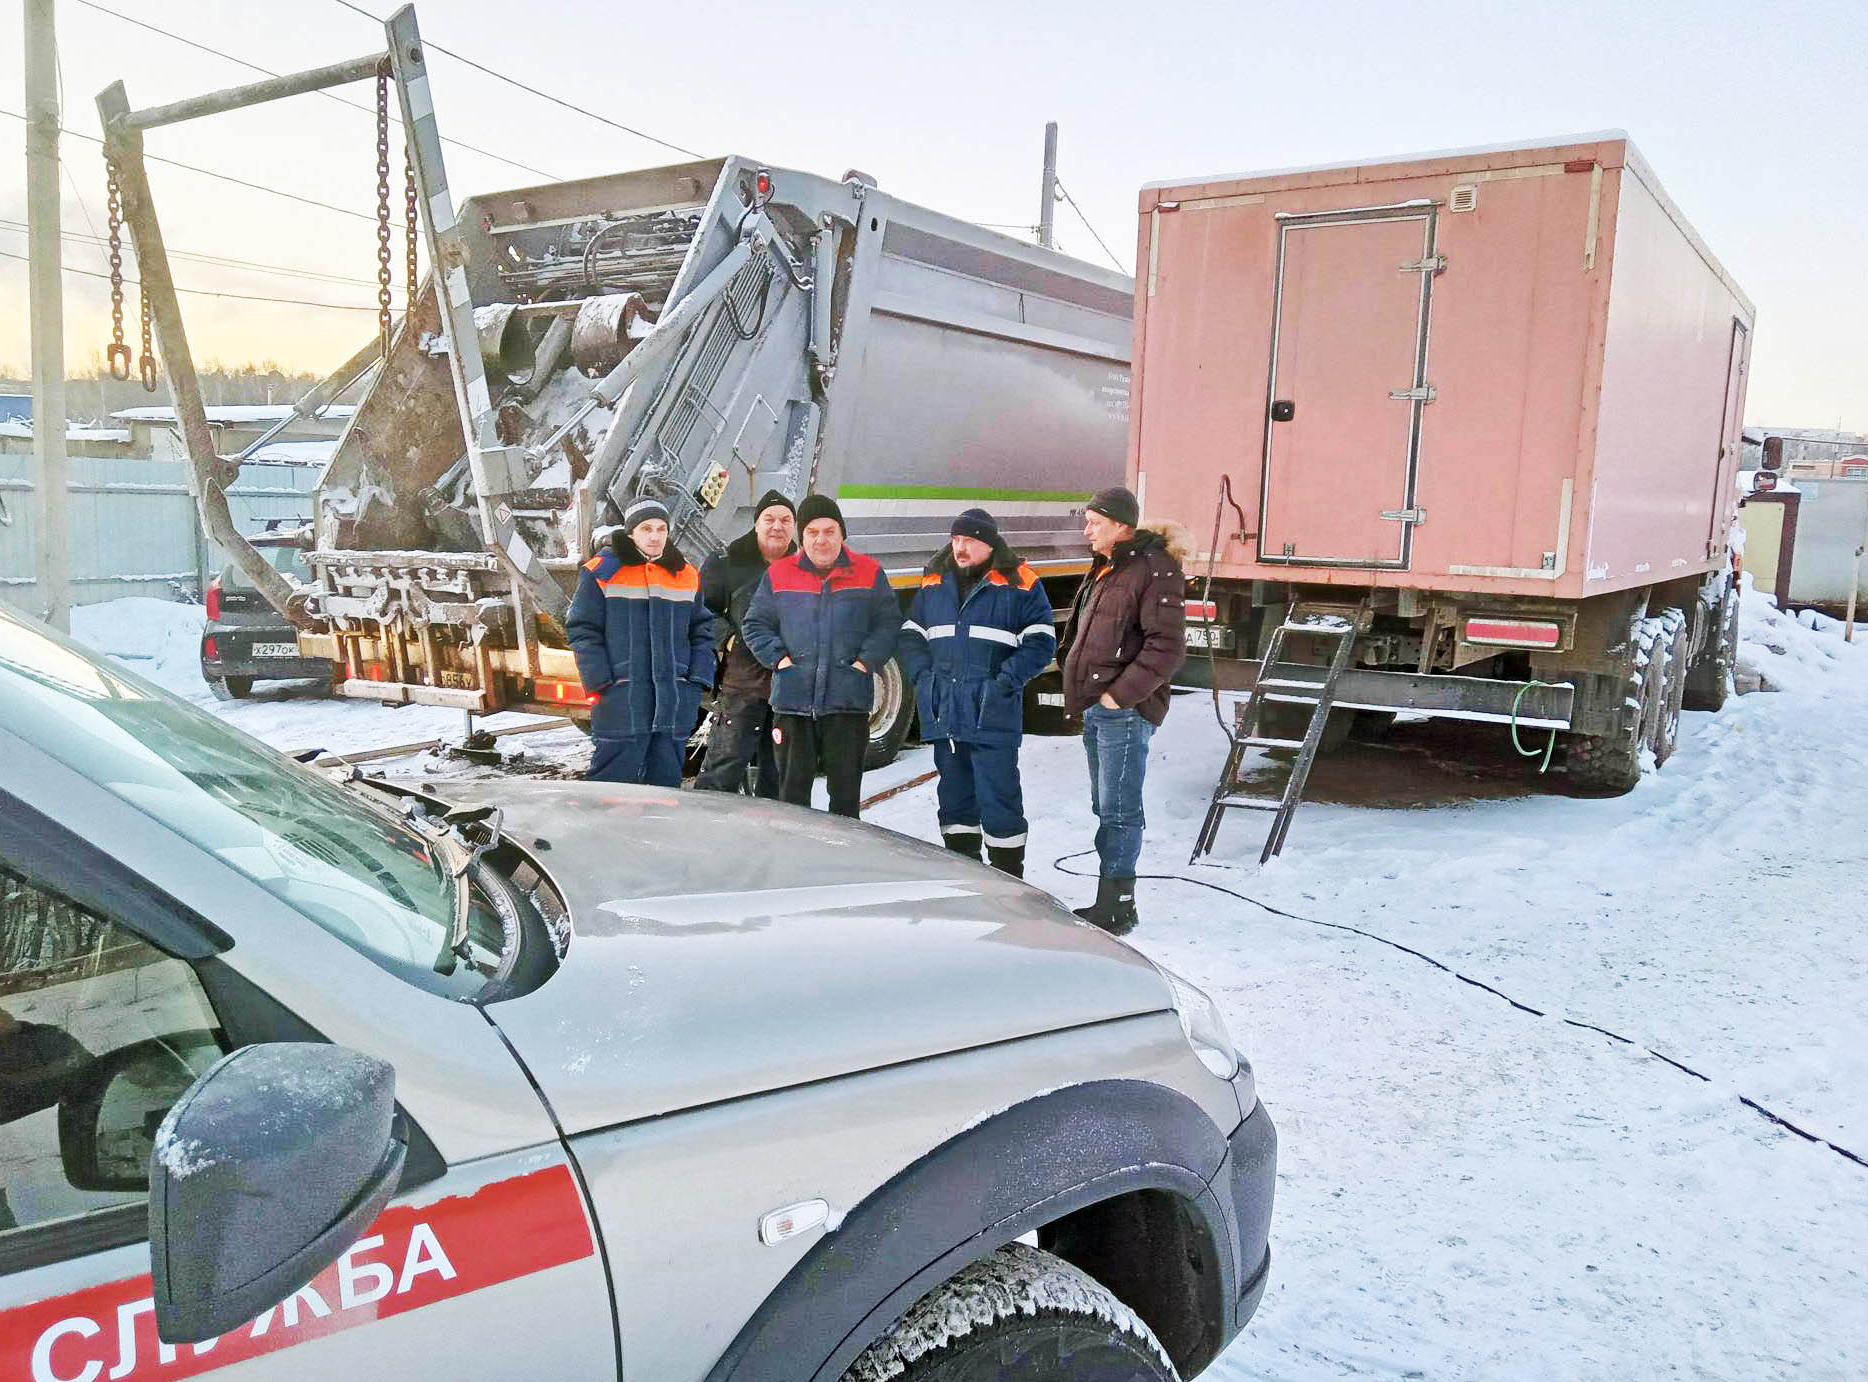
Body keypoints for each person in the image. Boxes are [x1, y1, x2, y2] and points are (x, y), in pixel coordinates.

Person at [1057, 486, 1190, 934]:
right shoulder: (1109, 567)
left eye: (1094, 522)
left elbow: (1166, 646)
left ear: (1120, 525)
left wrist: (1118, 697)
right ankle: (1107, 900)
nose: (1086, 529)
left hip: (1124, 712)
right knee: (1104, 805)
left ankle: (1118, 906)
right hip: (1098, 708)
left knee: (1119, 809)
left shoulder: (1155, 570)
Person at [898, 508, 1055, 878]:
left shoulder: (1021, 583)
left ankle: (1008, 878)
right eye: (955, 540)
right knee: (954, 801)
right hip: (945, 713)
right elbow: (910, 635)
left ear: (988, 543)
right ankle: (965, 877)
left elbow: (1041, 643)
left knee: (999, 799)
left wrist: (1002, 685)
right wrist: (923, 677)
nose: (960, 548)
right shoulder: (934, 582)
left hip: (992, 715)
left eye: (968, 540)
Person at [741, 494, 900, 818]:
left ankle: (842, 862)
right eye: (813, 532)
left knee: (845, 800)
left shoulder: (869, 573)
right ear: (802, 536)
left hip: (847, 704)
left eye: (830, 531)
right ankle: (795, 864)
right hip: (793, 705)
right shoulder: (779, 574)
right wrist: (781, 662)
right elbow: (755, 624)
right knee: (792, 798)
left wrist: (863, 664)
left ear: (842, 534)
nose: (822, 539)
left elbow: (888, 624)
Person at [566, 497, 715, 787]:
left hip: (673, 704)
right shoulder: (601, 572)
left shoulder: (686, 575)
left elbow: (703, 630)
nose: (655, 536)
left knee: (664, 791)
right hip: (621, 702)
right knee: (609, 790)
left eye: (662, 529)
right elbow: (583, 630)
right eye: (647, 528)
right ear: (631, 531)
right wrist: (600, 683)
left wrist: (696, 680)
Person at [694, 490, 797, 797]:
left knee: (779, 776)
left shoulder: (805, 566)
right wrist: (727, 640)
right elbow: (700, 611)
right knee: (722, 772)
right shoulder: (725, 562)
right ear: (756, 524)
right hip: (742, 686)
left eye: (785, 520)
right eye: (769, 519)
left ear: (794, 527)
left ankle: (771, 838)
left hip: (788, 689)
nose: (777, 526)